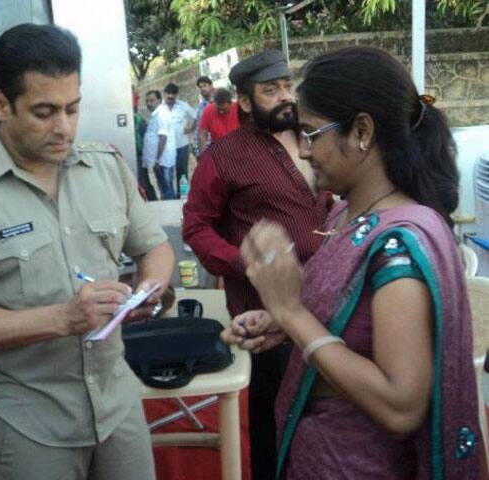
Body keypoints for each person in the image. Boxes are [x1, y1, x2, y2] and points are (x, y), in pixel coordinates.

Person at [0, 23, 175, 480]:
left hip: (117, 405)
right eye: (44, 112)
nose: (64, 127)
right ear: (0, 105)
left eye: (73, 108)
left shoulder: (104, 166)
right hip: (29, 424)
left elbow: (155, 248)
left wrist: (147, 291)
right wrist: (62, 319)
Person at [222, 46, 485, 479]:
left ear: (362, 131)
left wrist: (291, 310)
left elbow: (400, 406)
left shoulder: (399, 243)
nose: (303, 151)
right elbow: (352, 325)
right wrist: (282, 325)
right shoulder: (345, 215)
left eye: (311, 133)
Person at [182, 50, 331, 480]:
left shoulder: (314, 137)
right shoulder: (224, 157)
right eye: (271, 91)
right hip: (262, 315)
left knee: (324, 414)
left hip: (323, 302)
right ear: (246, 102)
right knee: (274, 422)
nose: (285, 97)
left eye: (287, 86)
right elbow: (196, 227)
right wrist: (246, 263)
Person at [163, 83, 196, 198]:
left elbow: (196, 116)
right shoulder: (160, 108)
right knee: (167, 174)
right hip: (166, 148)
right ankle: (170, 198)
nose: (171, 96)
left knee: (182, 174)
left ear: (177, 95)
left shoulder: (183, 106)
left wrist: (191, 128)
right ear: (165, 93)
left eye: (173, 93)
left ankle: (183, 197)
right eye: (168, 93)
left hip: (182, 145)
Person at [142, 90, 176, 200]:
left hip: (163, 160)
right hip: (160, 160)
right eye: (147, 101)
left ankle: (171, 214)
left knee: (166, 189)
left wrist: (157, 159)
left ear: (159, 100)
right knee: (164, 188)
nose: (149, 103)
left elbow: (163, 137)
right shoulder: (157, 114)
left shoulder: (162, 114)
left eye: (152, 100)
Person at [197, 87, 239, 155]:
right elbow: (202, 135)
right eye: (218, 109)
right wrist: (203, 157)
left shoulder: (239, 108)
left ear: (231, 103)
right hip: (219, 152)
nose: (221, 112)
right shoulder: (208, 110)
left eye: (224, 109)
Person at [133, 88, 157, 200]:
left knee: (143, 181)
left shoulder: (136, 119)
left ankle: (153, 201)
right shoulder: (137, 118)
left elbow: (144, 137)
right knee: (143, 180)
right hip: (138, 153)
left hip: (138, 153)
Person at [194, 76, 214, 156]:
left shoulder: (219, 103)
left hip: (216, 147)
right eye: (200, 87)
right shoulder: (200, 106)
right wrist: (196, 148)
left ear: (211, 86)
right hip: (203, 150)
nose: (202, 88)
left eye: (205, 85)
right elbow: (198, 127)